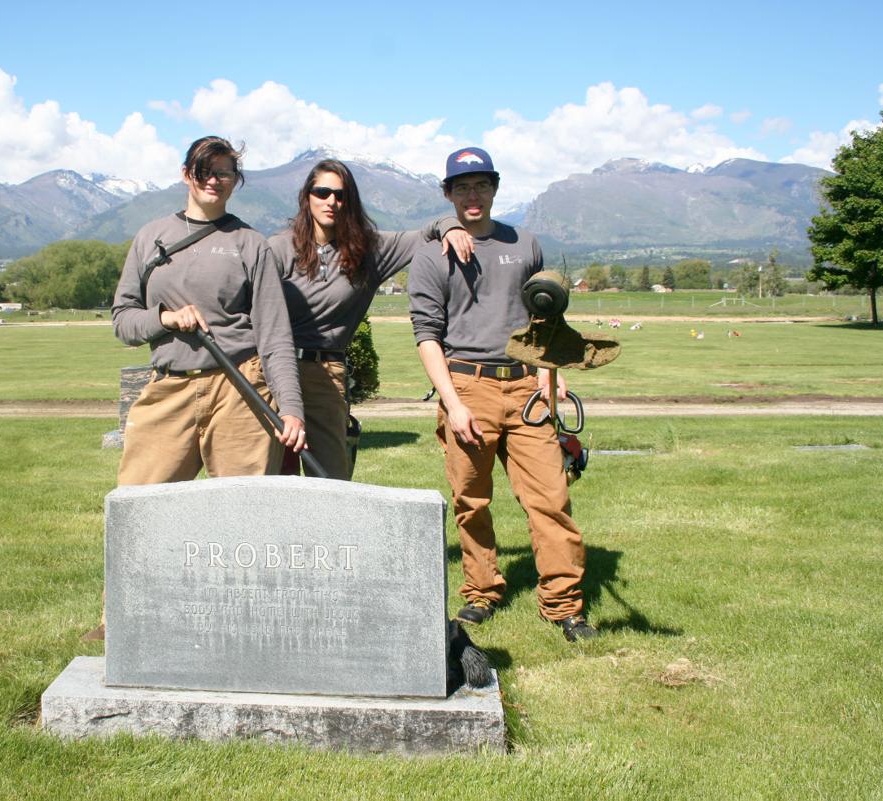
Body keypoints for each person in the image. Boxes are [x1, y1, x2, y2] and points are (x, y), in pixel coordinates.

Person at [408, 146, 597, 641]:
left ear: (494, 189)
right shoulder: (429, 256)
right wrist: (453, 403)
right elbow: (427, 335)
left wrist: (550, 375)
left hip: (527, 385)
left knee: (551, 499)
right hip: (467, 385)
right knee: (472, 501)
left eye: (481, 185)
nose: (473, 195)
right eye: (462, 187)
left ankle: (564, 605)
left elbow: (543, 320)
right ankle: (481, 591)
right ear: (448, 194)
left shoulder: (525, 244)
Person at [110, 136, 305, 485]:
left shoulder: (251, 244)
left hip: (240, 389)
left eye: (224, 173)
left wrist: (291, 409)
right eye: (204, 171)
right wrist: (165, 318)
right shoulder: (150, 237)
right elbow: (123, 321)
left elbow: (275, 336)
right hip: (169, 385)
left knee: (244, 505)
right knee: (139, 500)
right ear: (186, 174)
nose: (214, 180)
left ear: (235, 180)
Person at [267, 158, 473, 480]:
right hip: (272, 373)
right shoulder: (278, 248)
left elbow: (425, 234)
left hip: (325, 374)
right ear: (307, 196)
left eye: (341, 195)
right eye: (322, 193)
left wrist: (451, 225)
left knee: (331, 478)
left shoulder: (368, 250)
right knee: (271, 477)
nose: (331, 201)